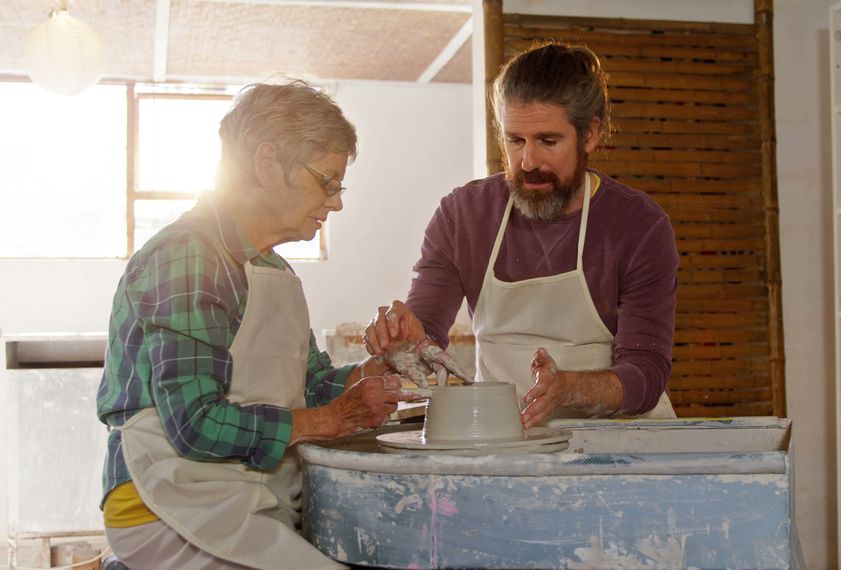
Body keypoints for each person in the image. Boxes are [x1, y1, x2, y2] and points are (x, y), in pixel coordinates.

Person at [95, 80, 413, 570]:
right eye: (328, 181)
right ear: (267, 163)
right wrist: (330, 421)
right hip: (166, 503)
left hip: (244, 495)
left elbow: (308, 384)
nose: (336, 202)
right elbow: (194, 425)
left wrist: (377, 372)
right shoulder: (186, 257)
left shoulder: (275, 272)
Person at [363, 42, 679, 429]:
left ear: (591, 135)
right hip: (506, 438)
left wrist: (569, 389)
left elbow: (646, 372)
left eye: (548, 141)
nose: (528, 162)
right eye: (515, 141)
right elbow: (426, 334)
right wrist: (403, 343)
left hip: (617, 445)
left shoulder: (637, 225)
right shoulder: (464, 215)